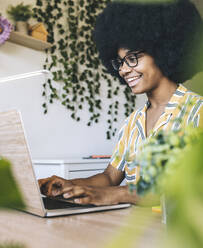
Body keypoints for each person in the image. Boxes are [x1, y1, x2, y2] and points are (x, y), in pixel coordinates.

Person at [39, 0, 203, 206]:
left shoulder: (197, 112)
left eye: (133, 58)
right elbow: (109, 177)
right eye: (120, 62)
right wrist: (69, 185)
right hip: (132, 229)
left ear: (163, 52)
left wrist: (118, 194)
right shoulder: (131, 124)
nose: (124, 70)